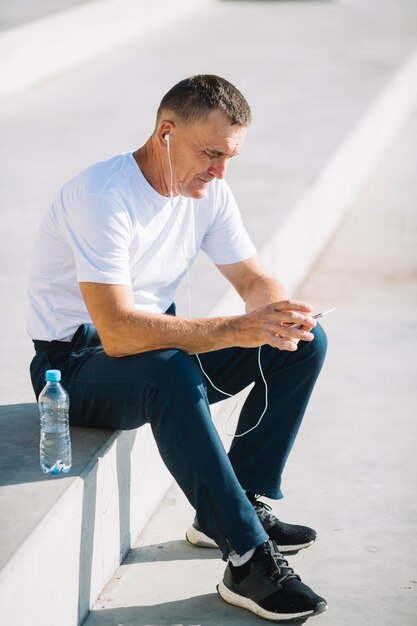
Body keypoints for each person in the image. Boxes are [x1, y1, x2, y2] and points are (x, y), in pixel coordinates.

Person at [27, 74, 328, 622]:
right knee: (168, 369)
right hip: (73, 367)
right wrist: (235, 329)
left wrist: (277, 313)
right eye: (211, 154)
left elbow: (254, 278)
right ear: (166, 133)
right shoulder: (103, 197)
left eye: (229, 158)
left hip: (157, 350)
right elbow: (117, 331)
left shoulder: (209, 190)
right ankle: (245, 556)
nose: (219, 173)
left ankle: (245, 502)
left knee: (302, 343)